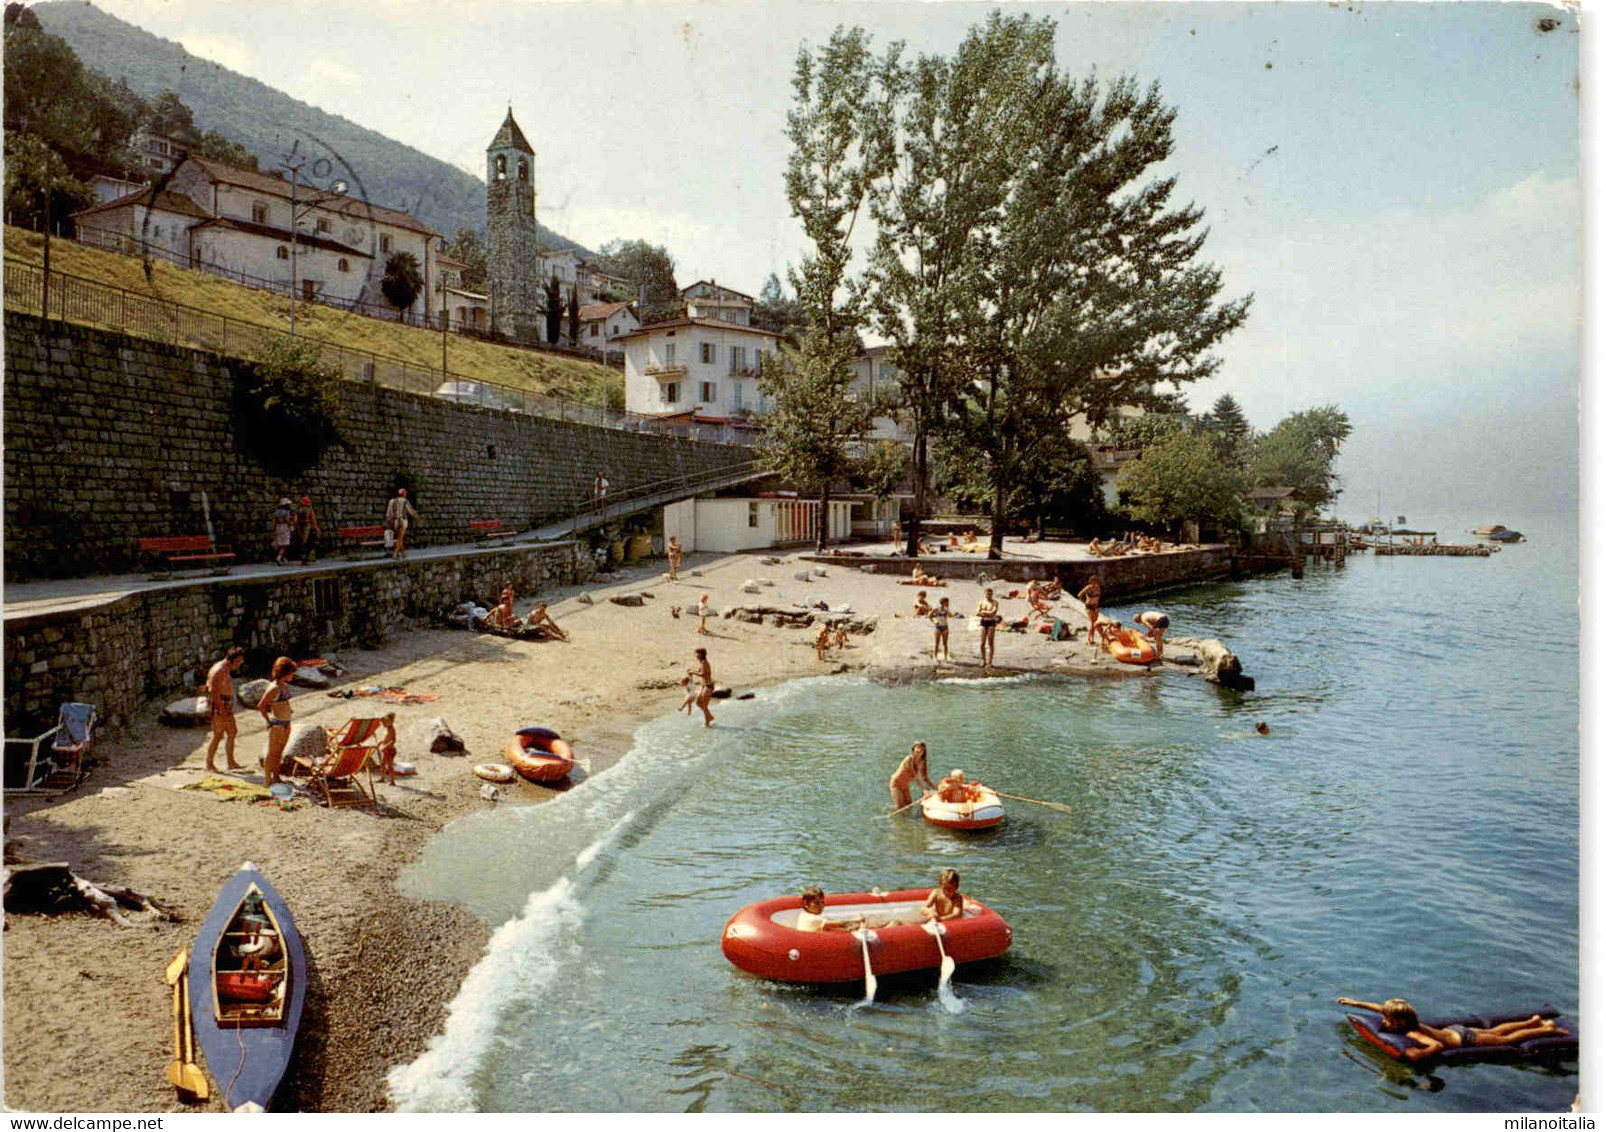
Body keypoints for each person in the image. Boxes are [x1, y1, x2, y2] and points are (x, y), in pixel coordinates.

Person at [1334, 997, 1571, 1061]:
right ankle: (1532, 1020)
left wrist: (1422, 1054)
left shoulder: (1412, 1032)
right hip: (1457, 1030)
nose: (1383, 1021)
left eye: (1387, 1020)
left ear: (1399, 1023)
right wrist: (1355, 1003)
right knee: (1498, 1031)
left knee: (1506, 1040)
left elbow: (1436, 1045)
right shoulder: (1410, 1021)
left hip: (1464, 1039)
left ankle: (1548, 1029)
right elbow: (1379, 1008)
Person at [204, 647, 247, 773]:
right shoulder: (220, 670)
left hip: (225, 704)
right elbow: (214, 692)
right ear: (232, 660)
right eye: (238, 662)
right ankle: (209, 763)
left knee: (232, 732)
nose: (239, 665)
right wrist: (222, 711)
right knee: (218, 735)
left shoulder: (225, 668)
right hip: (220, 705)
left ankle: (231, 762)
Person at [256, 656, 296, 787]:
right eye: (291, 673)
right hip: (277, 723)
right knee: (272, 752)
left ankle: (276, 776)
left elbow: (284, 702)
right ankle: (267, 779)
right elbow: (261, 706)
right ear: (285, 672)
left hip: (286, 722)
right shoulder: (273, 688)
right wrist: (268, 721)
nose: (293, 675)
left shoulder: (284, 686)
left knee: (280, 752)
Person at [888, 740, 936, 809]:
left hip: (905, 786)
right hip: (896, 784)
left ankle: (905, 819)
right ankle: (894, 817)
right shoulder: (909, 759)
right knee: (900, 806)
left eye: (922, 749)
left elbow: (925, 778)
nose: (919, 750)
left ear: (924, 751)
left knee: (909, 806)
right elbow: (915, 776)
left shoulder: (922, 762)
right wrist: (924, 790)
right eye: (918, 748)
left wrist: (935, 789)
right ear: (913, 749)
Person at [795, 886, 864, 933]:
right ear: (806, 904)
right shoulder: (814, 919)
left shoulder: (803, 915)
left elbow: (827, 927)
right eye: (816, 903)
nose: (821, 906)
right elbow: (841, 924)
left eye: (822, 902)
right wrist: (857, 920)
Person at [386, 488, 421, 560]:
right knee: (400, 538)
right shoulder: (405, 501)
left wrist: (389, 521)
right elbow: (410, 511)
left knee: (400, 537)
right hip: (401, 521)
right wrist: (417, 516)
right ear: (404, 494)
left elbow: (388, 513)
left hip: (394, 522)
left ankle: (404, 553)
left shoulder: (392, 501)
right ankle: (395, 554)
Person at [687, 647, 715, 727]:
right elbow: (700, 672)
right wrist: (691, 672)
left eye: (697, 653)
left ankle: (707, 723)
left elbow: (702, 674)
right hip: (704, 686)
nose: (695, 655)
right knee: (698, 703)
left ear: (701, 654)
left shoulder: (704, 662)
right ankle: (709, 717)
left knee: (705, 706)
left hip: (708, 686)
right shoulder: (702, 662)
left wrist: (692, 672)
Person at [976, 587, 1001, 668]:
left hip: (991, 622)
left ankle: (990, 662)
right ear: (985, 594)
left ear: (992, 594)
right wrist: (986, 613)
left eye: (990, 594)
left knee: (990, 642)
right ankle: (984, 660)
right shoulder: (981, 602)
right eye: (988, 594)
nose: (989, 596)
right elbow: (977, 613)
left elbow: (993, 613)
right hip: (983, 622)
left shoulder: (995, 602)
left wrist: (983, 612)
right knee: (982, 643)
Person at [293, 496, 320, 565]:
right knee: (310, 542)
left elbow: (295, 520)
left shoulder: (298, 510)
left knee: (301, 543)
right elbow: (313, 520)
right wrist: (316, 528)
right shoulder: (309, 510)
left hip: (300, 528)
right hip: (308, 527)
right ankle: (306, 559)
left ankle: (303, 558)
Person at [1076, 575, 1102, 646]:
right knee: (1092, 624)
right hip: (1089, 607)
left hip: (1095, 607)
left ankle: (1092, 639)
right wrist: (1084, 602)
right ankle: (1089, 640)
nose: (1095, 582)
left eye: (1096, 580)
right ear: (1091, 581)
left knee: (1095, 623)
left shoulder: (1097, 587)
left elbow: (1098, 597)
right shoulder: (1088, 588)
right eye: (1094, 581)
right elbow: (1079, 595)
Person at [271, 498, 294, 565]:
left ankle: (283, 558)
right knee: (284, 544)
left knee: (280, 542)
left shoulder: (276, 512)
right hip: (285, 527)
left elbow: (274, 522)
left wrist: (273, 530)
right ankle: (279, 557)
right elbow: (287, 521)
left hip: (278, 527)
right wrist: (291, 524)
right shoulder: (286, 512)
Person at [929, 596, 952, 661]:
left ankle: (945, 657)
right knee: (937, 643)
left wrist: (947, 609)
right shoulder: (936, 609)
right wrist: (934, 621)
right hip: (938, 627)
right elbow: (929, 616)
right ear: (943, 602)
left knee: (945, 643)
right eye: (947, 602)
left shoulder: (946, 610)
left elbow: (951, 616)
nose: (948, 603)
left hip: (945, 627)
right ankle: (935, 657)